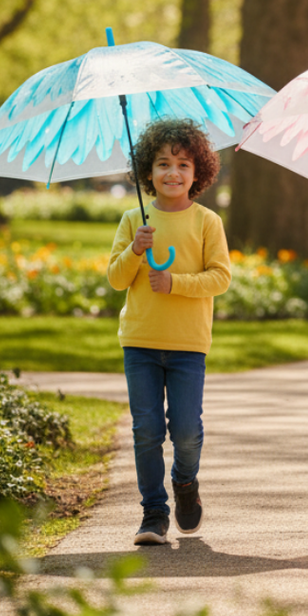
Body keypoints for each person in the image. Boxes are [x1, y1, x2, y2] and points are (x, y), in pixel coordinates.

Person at [108, 119, 232, 546]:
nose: (172, 173)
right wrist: (135, 249)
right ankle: (153, 512)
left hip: (186, 345)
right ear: (148, 172)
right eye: (163, 164)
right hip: (140, 341)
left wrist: (176, 283)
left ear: (198, 174)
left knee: (185, 431)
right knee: (146, 430)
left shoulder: (206, 222)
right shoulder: (133, 221)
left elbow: (220, 278)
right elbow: (116, 279)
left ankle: (185, 481)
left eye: (182, 164)